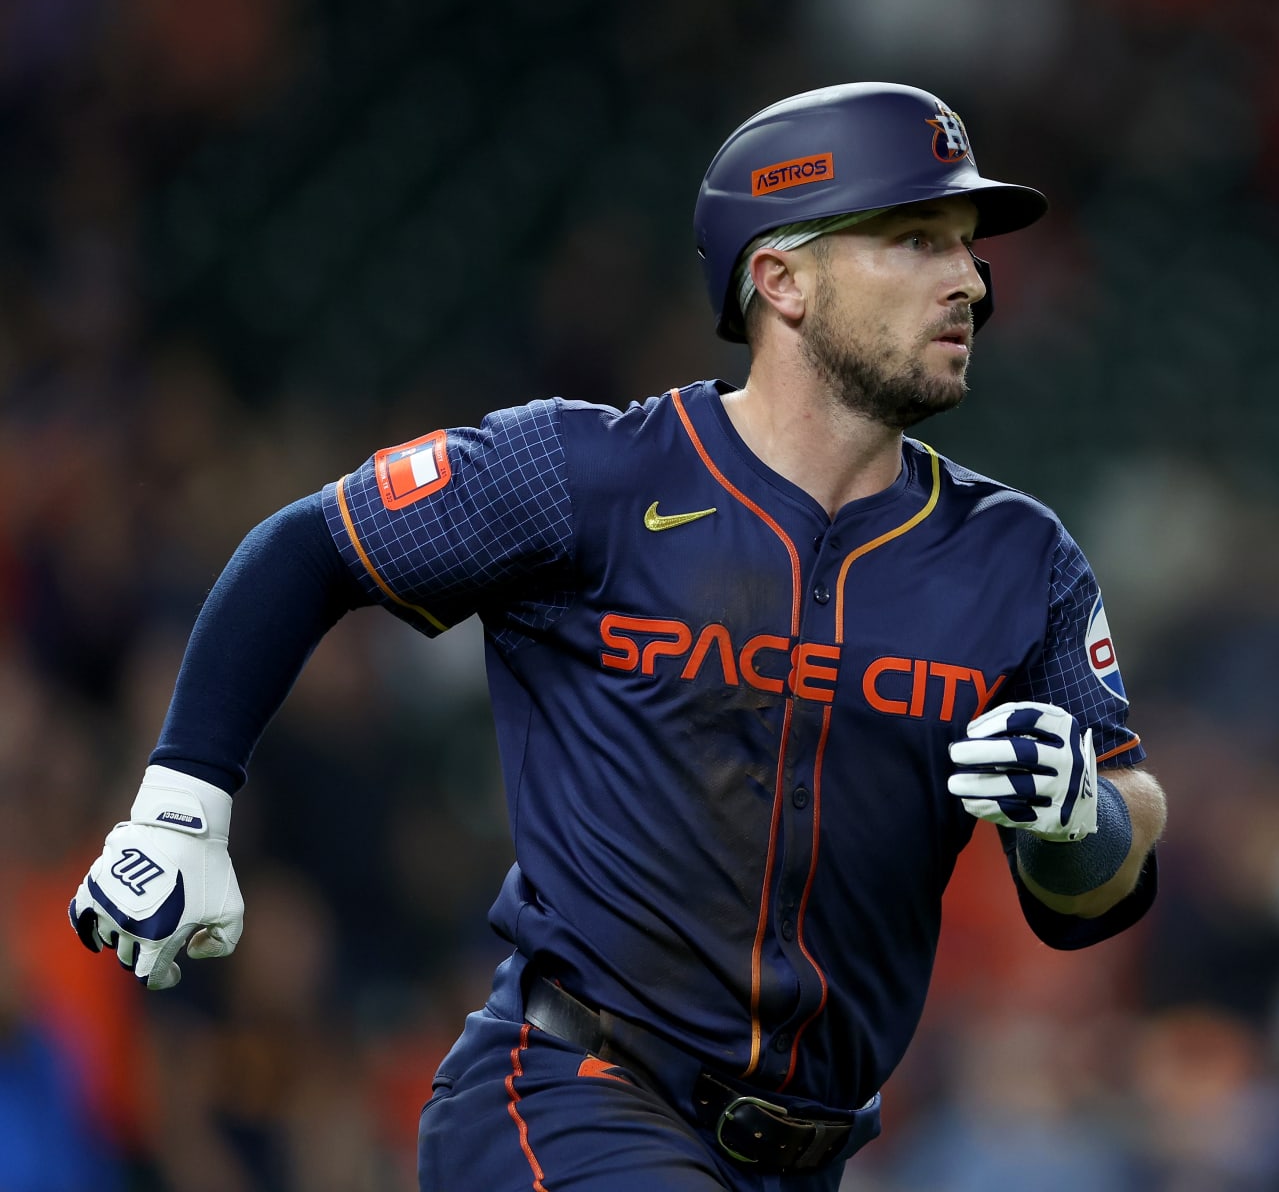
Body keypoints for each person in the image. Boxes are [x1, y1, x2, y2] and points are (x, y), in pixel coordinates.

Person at [67, 81, 1167, 1190]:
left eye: (967, 247)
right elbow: (310, 548)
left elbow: (1100, 883)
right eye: (918, 238)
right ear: (780, 277)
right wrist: (181, 810)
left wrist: (1077, 823)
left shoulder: (1021, 557)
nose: (971, 280)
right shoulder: (587, 475)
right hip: (569, 1098)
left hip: (811, 1158)